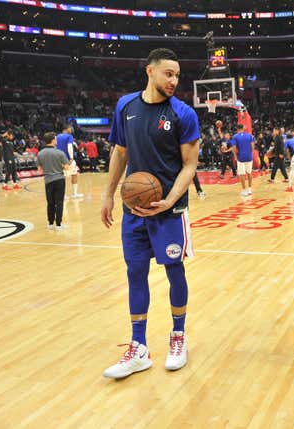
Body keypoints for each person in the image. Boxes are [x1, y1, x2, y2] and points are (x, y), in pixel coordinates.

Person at [100, 48, 200, 379]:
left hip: (170, 211)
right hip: (134, 211)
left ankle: (178, 337)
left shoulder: (183, 113)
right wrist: (108, 194)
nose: (174, 80)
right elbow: (120, 152)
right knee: (135, 273)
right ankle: (139, 347)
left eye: (177, 75)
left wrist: (170, 199)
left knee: (174, 270)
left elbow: (190, 166)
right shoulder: (125, 106)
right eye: (168, 74)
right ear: (150, 71)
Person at [37, 132, 68, 230]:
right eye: (55, 139)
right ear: (53, 140)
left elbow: (39, 169)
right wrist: (61, 166)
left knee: (50, 202)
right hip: (59, 179)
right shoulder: (60, 153)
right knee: (59, 202)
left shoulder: (40, 153)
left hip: (48, 181)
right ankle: (58, 224)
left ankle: (50, 223)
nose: (57, 140)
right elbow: (67, 167)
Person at [56, 125, 84, 198]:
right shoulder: (69, 136)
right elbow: (69, 146)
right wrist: (71, 158)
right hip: (67, 159)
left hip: (58, 158)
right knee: (74, 174)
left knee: (62, 177)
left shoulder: (57, 136)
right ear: (66, 129)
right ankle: (74, 194)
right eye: (70, 128)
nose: (71, 129)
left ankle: (63, 195)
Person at [228, 123, 255, 196]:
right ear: (243, 128)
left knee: (242, 174)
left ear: (237, 129)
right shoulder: (250, 135)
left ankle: (244, 190)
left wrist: (235, 156)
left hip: (241, 157)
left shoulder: (235, 137)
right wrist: (251, 153)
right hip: (249, 157)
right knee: (249, 173)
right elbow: (252, 146)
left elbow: (234, 147)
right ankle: (249, 189)